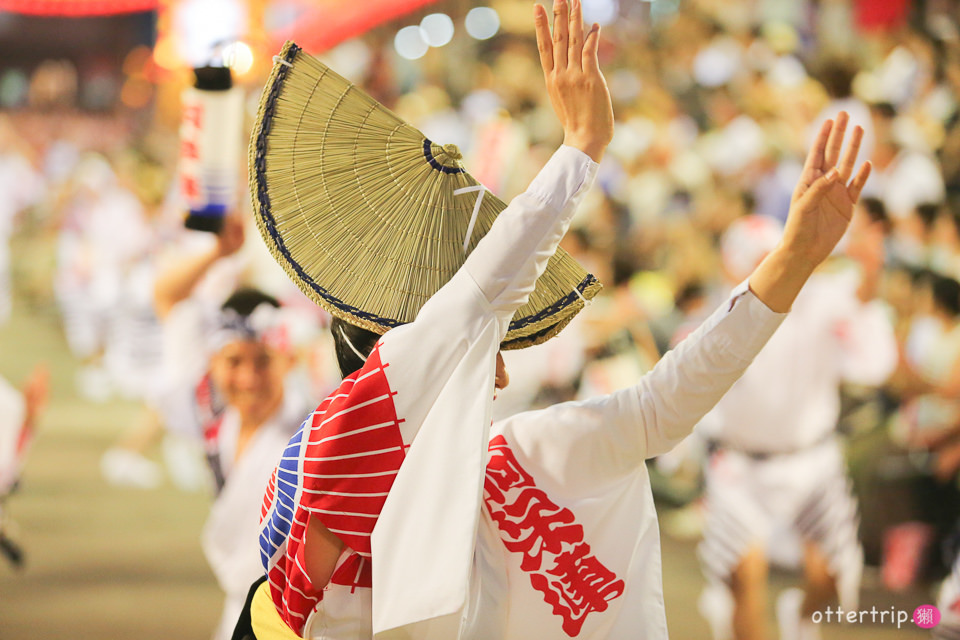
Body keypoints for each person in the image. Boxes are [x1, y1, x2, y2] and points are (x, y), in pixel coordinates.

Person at [254, 4, 871, 640]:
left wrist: (792, 263)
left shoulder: (521, 460)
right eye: (487, 347)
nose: (499, 370)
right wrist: (581, 149)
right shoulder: (337, 445)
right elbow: (469, 306)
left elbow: (663, 404)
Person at [694, 191, 897, 640]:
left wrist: (870, 275)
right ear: (733, 268)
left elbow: (874, 362)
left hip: (813, 460)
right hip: (739, 465)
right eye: (755, 263)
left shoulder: (822, 300)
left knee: (829, 577)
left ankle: (801, 620)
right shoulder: (717, 316)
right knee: (743, 581)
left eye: (773, 259)